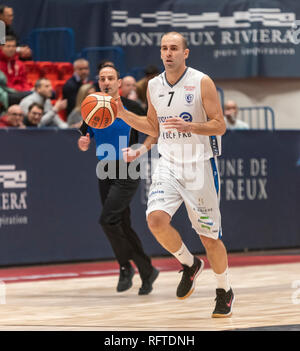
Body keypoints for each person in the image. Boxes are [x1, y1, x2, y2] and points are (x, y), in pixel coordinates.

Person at [116, 31, 234, 318]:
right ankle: (189, 264)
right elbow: (154, 128)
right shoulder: (153, 86)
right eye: (164, 48)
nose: (168, 53)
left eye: (174, 48)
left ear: (186, 53)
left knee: (210, 238)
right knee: (155, 220)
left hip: (199, 166)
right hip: (168, 162)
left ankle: (224, 290)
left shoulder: (201, 81)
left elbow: (220, 125)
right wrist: (122, 114)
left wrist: (192, 127)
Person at [77, 64, 159, 295]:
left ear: (119, 82)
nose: (106, 82)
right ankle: (147, 270)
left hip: (128, 168)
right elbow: (85, 137)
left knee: (108, 220)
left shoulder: (131, 106)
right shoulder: (91, 106)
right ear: (98, 81)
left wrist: (140, 151)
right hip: (104, 168)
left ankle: (125, 267)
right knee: (121, 223)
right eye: (102, 78)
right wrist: (83, 143)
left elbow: (154, 132)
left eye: (110, 78)